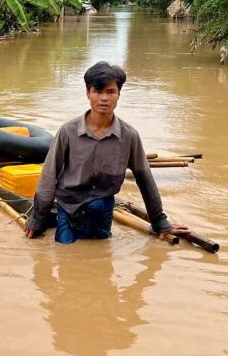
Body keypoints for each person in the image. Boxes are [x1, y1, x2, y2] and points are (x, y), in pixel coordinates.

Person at [24, 61, 189, 244]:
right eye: (98, 91)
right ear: (88, 93)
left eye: (111, 92)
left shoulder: (129, 136)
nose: (104, 98)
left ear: (119, 94)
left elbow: (144, 177)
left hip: (103, 208)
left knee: (102, 259)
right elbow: (49, 175)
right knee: (65, 256)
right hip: (69, 206)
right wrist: (38, 219)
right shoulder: (68, 131)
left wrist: (159, 221)